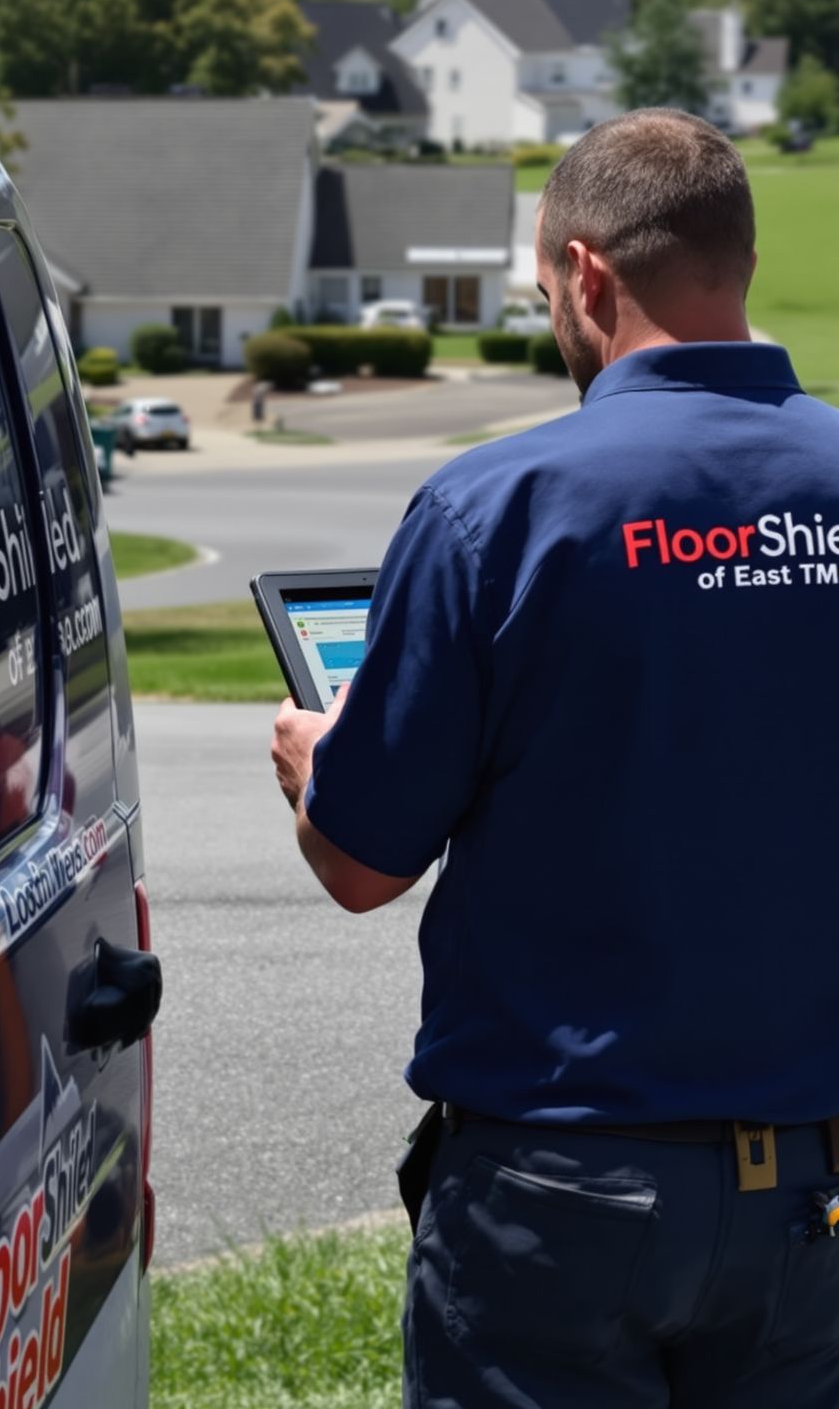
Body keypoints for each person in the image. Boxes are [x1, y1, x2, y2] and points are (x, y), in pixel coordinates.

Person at [270, 108, 839, 1408]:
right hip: (816, 1188)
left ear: (586, 275)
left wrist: (321, 765)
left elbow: (361, 867)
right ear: (737, 261)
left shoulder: (499, 508)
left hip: (560, 1186)